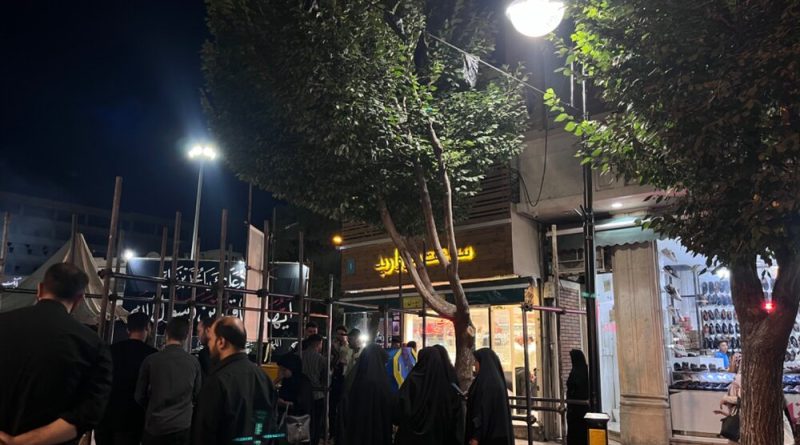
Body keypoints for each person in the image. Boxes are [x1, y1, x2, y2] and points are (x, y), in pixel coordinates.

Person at [0, 263, 112, 445]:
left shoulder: (3, 323)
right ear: (79, 299)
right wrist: (20, 442)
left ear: (40, 289)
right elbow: (90, 411)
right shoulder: (93, 344)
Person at [192, 317, 278, 445]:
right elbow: (271, 428)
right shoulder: (264, 378)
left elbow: (204, 434)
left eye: (211, 339)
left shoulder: (218, 381)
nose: (208, 345)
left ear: (221, 342)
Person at [136, 317, 202, 445]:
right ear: (186, 336)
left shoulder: (151, 360)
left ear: (166, 333)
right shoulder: (194, 363)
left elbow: (139, 395)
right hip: (182, 427)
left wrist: (151, 408)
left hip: (155, 426)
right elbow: (197, 395)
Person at [96, 312, 157, 445]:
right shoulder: (152, 355)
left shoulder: (110, 350)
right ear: (148, 327)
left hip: (106, 415)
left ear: (128, 330)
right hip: (132, 419)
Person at [394, 346, 465, 445]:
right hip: (438, 437)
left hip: (411, 437)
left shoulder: (412, 380)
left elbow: (401, 407)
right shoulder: (445, 384)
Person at [717, 354, 794, 445]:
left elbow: (745, 399)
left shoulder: (743, 378)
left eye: (732, 362)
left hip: (753, 420)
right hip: (767, 419)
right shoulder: (767, 378)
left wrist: (727, 399)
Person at [336, 344, 394, 445]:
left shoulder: (353, 379)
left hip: (356, 432)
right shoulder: (382, 382)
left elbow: (344, 408)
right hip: (378, 434)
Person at [466, 349, 514, 445]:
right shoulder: (493, 381)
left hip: (487, 436)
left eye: (476, 361)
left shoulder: (488, 384)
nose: (474, 365)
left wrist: (476, 437)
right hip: (495, 435)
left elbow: (484, 411)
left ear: (484, 363)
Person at [276, 354, 314, 443]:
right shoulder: (286, 380)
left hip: (298, 423)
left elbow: (303, 403)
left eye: (284, 370)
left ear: (292, 368)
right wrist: (277, 379)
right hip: (286, 422)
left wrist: (286, 404)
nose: (281, 372)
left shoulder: (303, 382)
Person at [301, 334, 327, 445]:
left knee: (303, 421)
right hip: (317, 394)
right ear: (318, 344)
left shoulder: (299, 355)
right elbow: (326, 377)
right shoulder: (321, 359)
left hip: (302, 394)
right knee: (316, 423)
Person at [329, 326, 351, 439]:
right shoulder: (333, 347)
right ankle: (332, 431)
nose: (340, 337)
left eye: (342, 334)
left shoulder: (349, 348)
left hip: (345, 379)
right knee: (332, 407)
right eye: (338, 334)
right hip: (335, 378)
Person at [566, 350, 589, 445]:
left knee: (576, 431)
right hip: (577, 407)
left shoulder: (578, 372)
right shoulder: (583, 370)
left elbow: (573, 385)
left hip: (577, 408)